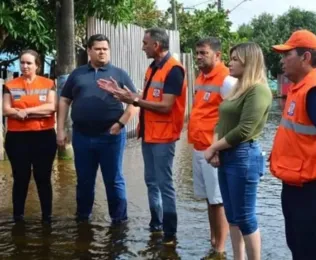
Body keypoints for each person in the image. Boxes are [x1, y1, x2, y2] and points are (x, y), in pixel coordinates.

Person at [97, 27, 187, 245]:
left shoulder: (174, 69)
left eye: (145, 43)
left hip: (164, 137)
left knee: (164, 184)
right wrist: (123, 94)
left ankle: (170, 232)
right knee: (150, 182)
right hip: (149, 135)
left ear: (156, 45)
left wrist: (134, 101)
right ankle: (156, 225)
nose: (142, 47)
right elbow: (145, 98)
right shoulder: (153, 67)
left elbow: (165, 106)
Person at [56, 34, 138, 225]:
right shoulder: (77, 74)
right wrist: (60, 129)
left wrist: (121, 124)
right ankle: (83, 220)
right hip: (82, 136)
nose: (102, 52)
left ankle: (119, 221)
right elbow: (64, 100)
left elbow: (135, 101)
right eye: (98, 49)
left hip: (111, 136)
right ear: (89, 51)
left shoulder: (119, 74)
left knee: (114, 180)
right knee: (84, 181)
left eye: (105, 49)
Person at [204, 42, 272, 260]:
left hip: (244, 156)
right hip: (226, 155)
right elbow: (220, 121)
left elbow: (244, 130)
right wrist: (215, 150)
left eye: (234, 59)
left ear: (248, 61)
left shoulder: (259, 90)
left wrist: (214, 147)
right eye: (230, 58)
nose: (229, 63)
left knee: (245, 217)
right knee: (232, 215)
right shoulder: (237, 87)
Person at [270, 30, 316, 260]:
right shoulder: (298, 89)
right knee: (298, 248)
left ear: (305, 57)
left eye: (286, 54)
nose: (281, 60)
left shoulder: (314, 92)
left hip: (310, 193)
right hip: (294, 187)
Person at [188, 37, 237, 259]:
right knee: (210, 198)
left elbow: (232, 118)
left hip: (214, 149)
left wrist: (218, 148)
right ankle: (214, 241)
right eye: (197, 53)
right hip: (199, 146)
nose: (198, 57)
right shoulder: (200, 77)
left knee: (218, 200)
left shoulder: (227, 80)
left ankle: (220, 249)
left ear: (217, 55)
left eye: (203, 53)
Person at [3, 49, 57, 223]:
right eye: (22, 63)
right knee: (20, 178)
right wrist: (35, 112)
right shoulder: (10, 85)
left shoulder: (48, 84)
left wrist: (25, 111)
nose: (25, 66)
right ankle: (18, 217)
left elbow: (51, 107)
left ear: (37, 66)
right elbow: (6, 110)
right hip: (17, 138)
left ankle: (47, 217)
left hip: (43, 137)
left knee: (43, 178)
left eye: (29, 63)